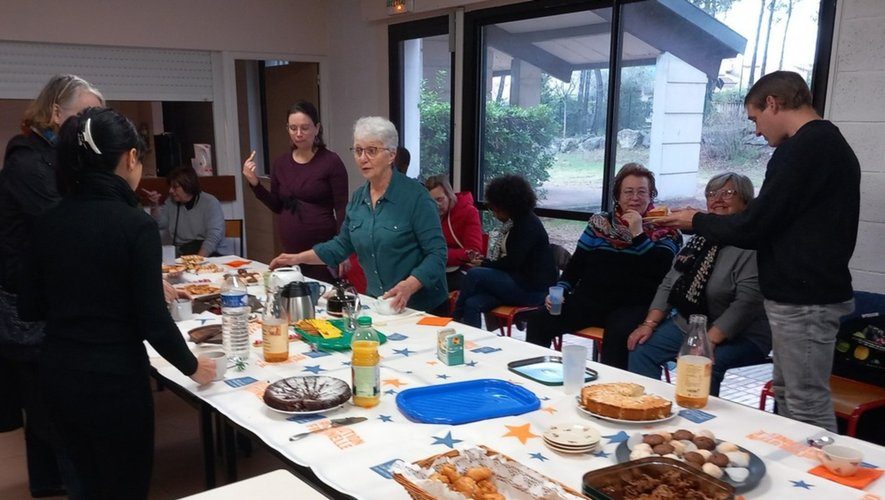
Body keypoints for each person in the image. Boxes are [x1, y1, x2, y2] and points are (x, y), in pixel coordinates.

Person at [18, 107, 215, 499]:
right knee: (124, 485)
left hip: (58, 375)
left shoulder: (46, 220)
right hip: (115, 382)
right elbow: (152, 320)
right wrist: (193, 366)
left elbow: (29, 308)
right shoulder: (134, 225)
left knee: (83, 484)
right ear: (129, 158)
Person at [659, 71, 860, 432]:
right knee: (788, 393)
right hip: (800, 297)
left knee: (805, 401)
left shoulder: (804, 148)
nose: (756, 131)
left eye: (755, 118)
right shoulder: (825, 146)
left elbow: (754, 225)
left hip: (806, 299)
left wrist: (697, 221)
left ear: (773, 103)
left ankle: (819, 484)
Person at [0, 74, 103, 498]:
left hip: (38, 290)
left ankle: (49, 481)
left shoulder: (51, 155)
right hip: (26, 300)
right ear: (57, 112)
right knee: (53, 399)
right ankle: (67, 481)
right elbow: (67, 224)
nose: (89, 128)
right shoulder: (28, 161)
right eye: (84, 116)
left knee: (43, 396)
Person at [269, 117, 447, 313]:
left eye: (372, 151)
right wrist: (296, 258)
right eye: (358, 150)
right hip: (378, 303)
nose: (363, 158)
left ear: (391, 155)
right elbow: (341, 246)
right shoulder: (358, 199)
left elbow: (437, 255)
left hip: (421, 307)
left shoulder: (416, 198)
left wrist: (409, 286)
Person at [525, 163, 682, 369]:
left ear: (651, 195)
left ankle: (610, 394)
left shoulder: (667, 230)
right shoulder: (600, 224)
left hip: (635, 305)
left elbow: (658, 270)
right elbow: (577, 265)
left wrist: (638, 232)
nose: (635, 197)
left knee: (618, 335)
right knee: (539, 320)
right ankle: (536, 376)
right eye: (628, 192)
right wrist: (562, 289)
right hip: (591, 299)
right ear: (618, 195)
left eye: (642, 192)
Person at [627, 173, 771, 396]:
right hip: (690, 324)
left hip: (742, 334)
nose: (718, 199)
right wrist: (649, 324)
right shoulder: (700, 238)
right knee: (641, 348)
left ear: (746, 201)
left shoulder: (752, 246)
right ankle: (648, 406)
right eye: (712, 194)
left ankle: (698, 424)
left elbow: (747, 304)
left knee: (701, 365)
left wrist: (708, 341)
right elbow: (670, 282)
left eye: (728, 193)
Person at [242, 100, 348, 282]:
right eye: (293, 128)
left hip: (322, 247)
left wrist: (342, 250)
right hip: (290, 247)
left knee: (322, 298)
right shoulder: (281, 163)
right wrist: (255, 184)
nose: (298, 134)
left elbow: (342, 209)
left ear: (317, 128)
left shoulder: (331, 161)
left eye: (305, 128)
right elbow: (277, 205)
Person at [452, 174, 556, 329]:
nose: (495, 214)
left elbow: (513, 262)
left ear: (509, 206)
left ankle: (453, 320)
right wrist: (486, 264)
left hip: (532, 290)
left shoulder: (527, 226)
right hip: (518, 282)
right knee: (472, 303)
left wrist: (485, 264)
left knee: (475, 274)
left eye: (497, 210)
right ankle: (468, 342)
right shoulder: (516, 222)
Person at [143, 166, 229, 257]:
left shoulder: (210, 202)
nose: (170, 191)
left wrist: (197, 261)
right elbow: (160, 224)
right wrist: (154, 205)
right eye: (171, 187)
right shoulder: (171, 202)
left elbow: (213, 238)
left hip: (210, 255)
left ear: (188, 186)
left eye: (175, 187)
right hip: (184, 254)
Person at [424, 174, 483, 292]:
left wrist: (440, 255)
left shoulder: (468, 212)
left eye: (440, 199)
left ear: (449, 196)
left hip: (460, 269)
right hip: (436, 267)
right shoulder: (427, 214)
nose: (436, 205)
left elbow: (474, 251)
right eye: (432, 201)